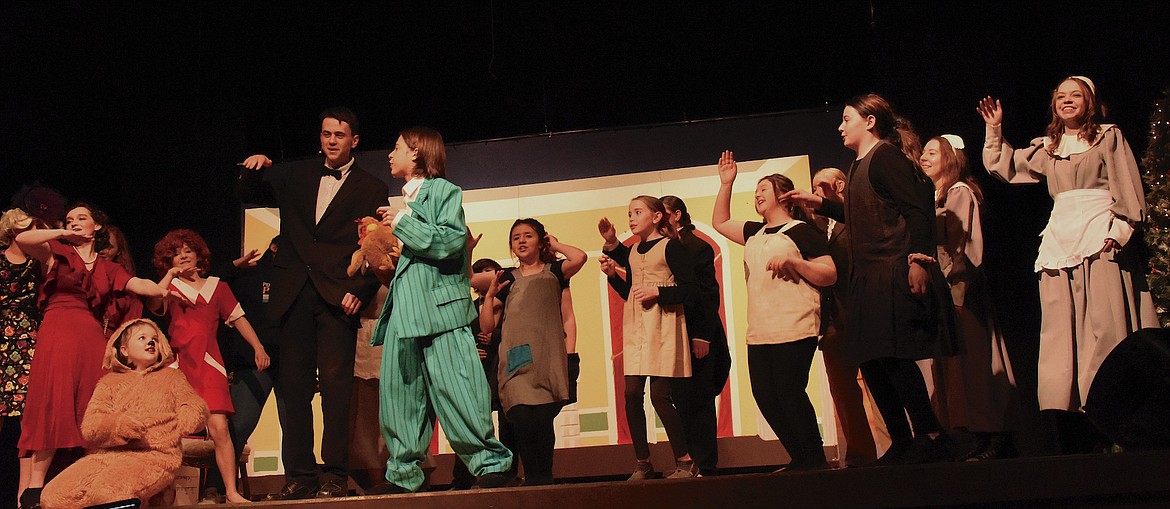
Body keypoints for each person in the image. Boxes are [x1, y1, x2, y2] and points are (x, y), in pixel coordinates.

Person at [978, 76, 1158, 452]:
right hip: (1062, 239)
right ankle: (1081, 424)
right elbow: (1005, 167)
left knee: (1105, 325)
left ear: (1090, 102)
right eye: (1061, 96)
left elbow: (1126, 181)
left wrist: (1122, 227)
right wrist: (994, 129)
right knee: (1063, 333)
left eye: (1076, 95)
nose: (1067, 101)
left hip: (1100, 234)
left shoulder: (1108, 137)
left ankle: (1120, 413)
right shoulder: (1050, 147)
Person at [782, 94, 959, 465]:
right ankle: (902, 440)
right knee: (871, 360)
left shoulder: (886, 157)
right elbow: (862, 209)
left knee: (892, 358)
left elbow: (916, 208)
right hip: (867, 276)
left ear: (870, 122)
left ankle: (930, 433)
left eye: (847, 119)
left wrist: (919, 260)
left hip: (890, 270)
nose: (840, 126)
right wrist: (820, 205)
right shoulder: (862, 163)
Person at [237, 107, 389, 499]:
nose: (331, 141)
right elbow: (248, 192)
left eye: (339, 134)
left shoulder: (371, 187)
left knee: (337, 389)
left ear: (354, 140)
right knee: (293, 388)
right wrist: (254, 168)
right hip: (293, 294)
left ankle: (335, 473)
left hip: (339, 297)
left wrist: (363, 289)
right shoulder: (297, 174)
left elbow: (377, 247)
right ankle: (300, 475)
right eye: (326, 134)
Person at [370, 126, 514, 494]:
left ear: (417, 153)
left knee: (459, 390)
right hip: (406, 317)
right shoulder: (406, 202)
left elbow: (450, 241)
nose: (391, 154)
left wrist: (401, 223)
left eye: (398, 148)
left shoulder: (444, 192)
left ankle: (490, 464)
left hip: (441, 313)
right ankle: (402, 475)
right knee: (400, 400)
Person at [14, 202, 169, 509]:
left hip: (89, 336)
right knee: (54, 401)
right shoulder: (57, 252)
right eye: (70, 218)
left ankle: (90, 486)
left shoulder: (109, 268)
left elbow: (141, 286)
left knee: (89, 405)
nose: (74, 222)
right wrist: (60, 232)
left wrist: (165, 284)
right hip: (57, 330)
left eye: (81, 218)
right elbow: (22, 240)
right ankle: (34, 487)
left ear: (96, 226)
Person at [712, 163, 835, 471]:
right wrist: (727, 183)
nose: (758, 195)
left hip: (795, 323)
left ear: (784, 195)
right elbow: (721, 221)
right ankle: (801, 457)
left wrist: (796, 263)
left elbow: (829, 273)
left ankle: (814, 459)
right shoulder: (755, 231)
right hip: (760, 328)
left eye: (764, 189)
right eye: (756, 192)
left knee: (789, 392)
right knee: (765, 396)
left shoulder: (801, 231)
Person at [149, 228, 271, 503]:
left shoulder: (218, 286)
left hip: (209, 364)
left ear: (198, 256)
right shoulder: (169, 287)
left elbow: (239, 319)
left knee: (219, 428)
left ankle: (230, 491)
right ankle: (165, 494)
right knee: (170, 431)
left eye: (187, 251)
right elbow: (156, 303)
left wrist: (258, 347)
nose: (183, 257)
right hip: (178, 366)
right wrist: (169, 276)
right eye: (175, 254)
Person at [39, 319, 208, 509]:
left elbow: (193, 404)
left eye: (154, 339)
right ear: (124, 350)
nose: (150, 342)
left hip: (153, 456)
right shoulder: (108, 383)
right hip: (103, 456)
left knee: (108, 491)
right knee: (54, 496)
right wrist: (117, 426)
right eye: (142, 338)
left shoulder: (172, 378)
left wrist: (191, 415)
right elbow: (91, 426)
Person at [919, 134, 1016, 460]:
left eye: (932, 152)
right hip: (942, 295)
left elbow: (964, 246)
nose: (924, 157)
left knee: (973, 364)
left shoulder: (959, 193)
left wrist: (952, 284)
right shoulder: (931, 198)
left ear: (950, 157)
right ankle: (960, 435)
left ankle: (988, 435)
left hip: (960, 292)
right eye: (923, 152)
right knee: (951, 368)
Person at [597, 196, 698, 479]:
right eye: (629, 212)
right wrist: (612, 276)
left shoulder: (671, 247)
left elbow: (691, 289)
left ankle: (686, 461)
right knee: (631, 394)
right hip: (637, 329)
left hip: (663, 328)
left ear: (656, 217)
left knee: (660, 397)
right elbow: (629, 291)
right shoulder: (631, 251)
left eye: (638, 212)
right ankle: (643, 462)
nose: (631, 217)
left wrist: (659, 292)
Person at [480, 218, 587, 485]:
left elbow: (580, 257)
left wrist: (557, 244)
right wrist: (490, 296)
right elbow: (488, 326)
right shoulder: (507, 277)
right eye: (516, 237)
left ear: (541, 241)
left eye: (528, 235)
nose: (522, 241)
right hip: (515, 359)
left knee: (541, 421)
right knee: (522, 417)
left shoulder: (555, 271)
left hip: (547, 358)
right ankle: (535, 481)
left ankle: (542, 480)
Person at [203, 237, 283, 502]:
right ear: (275, 247)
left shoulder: (299, 276)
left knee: (294, 425)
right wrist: (235, 266)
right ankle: (215, 487)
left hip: (291, 360)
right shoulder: (250, 274)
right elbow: (210, 286)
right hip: (253, 363)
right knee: (238, 425)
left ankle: (297, 483)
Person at [809, 168, 878, 467]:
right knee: (843, 392)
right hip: (833, 321)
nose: (814, 193)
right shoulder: (813, 226)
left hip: (863, 313)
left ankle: (898, 447)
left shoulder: (857, 217)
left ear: (839, 185)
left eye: (819, 187)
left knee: (880, 384)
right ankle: (860, 453)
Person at [658, 196, 731, 477]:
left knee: (698, 398)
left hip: (699, 333)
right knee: (681, 398)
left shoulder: (696, 247)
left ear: (677, 215)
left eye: (663, 215)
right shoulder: (661, 249)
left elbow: (706, 295)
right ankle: (689, 464)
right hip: (673, 333)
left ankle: (705, 465)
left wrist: (701, 335)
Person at [1, 208, 44, 508]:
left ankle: (23, 497)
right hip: (3, 335)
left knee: (27, 419)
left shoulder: (37, 262)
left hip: (29, 338)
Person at [98, 224, 144, 336]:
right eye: (99, 245)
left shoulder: (128, 291)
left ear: (118, 251)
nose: (102, 251)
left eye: (108, 247)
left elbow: (130, 329)